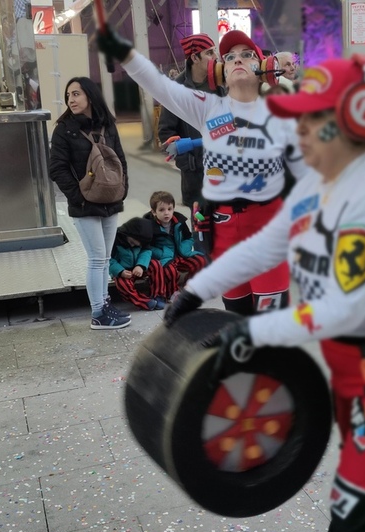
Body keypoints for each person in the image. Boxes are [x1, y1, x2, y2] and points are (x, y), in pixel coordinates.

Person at [162, 55, 365, 532]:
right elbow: (266, 246)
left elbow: (344, 306)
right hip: (351, 358)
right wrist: (195, 290)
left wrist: (255, 333)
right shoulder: (320, 185)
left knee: (356, 521)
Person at [98, 27, 308, 316]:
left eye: (247, 55)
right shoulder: (208, 108)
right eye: (230, 56)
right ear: (220, 69)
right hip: (222, 232)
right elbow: (158, 84)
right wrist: (123, 51)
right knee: (236, 320)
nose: (237, 60)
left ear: (262, 68)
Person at [49, 77, 131, 329]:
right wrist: (78, 197)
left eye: (76, 94)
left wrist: (123, 189)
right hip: (85, 205)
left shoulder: (108, 125)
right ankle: (98, 313)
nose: (71, 100)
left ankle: (105, 304)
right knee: (96, 258)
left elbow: (120, 159)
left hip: (111, 201)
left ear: (90, 96)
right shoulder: (64, 129)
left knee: (105, 258)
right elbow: (57, 168)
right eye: (68, 95)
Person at [158, 34, 223, 208]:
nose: (215, 57)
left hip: (227, 171)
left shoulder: (221, 85)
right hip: (197, 178)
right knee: (201, 229)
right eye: (209, 53)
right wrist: (189, 164)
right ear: (194, 57)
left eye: (214, 52)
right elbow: (166, 133)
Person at [143, 190, 208, 291]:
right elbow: (146, 247)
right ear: (153, 212)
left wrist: (183, 249)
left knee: (201, 260)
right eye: (161, 210)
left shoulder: (179, 221)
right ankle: (172, 292)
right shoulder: (148, 226)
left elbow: (188, 237)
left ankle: (189, 284)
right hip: (164, 258)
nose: (166, 213)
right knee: (170, 271)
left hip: (180, 254)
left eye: (169, 209)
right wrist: (162, 254)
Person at [109, 217, 170, 311]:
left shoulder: (143, 241)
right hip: (123, 270)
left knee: (156, 264)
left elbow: (146, 251)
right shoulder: (114, 240)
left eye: (136, 245)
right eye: (132, 242)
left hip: (139, 267)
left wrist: (140, 265)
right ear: (127, 234)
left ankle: (159, 295)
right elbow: (109, 260)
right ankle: (144, 302)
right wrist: (120, 271)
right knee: (122, 283)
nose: (132, 246)